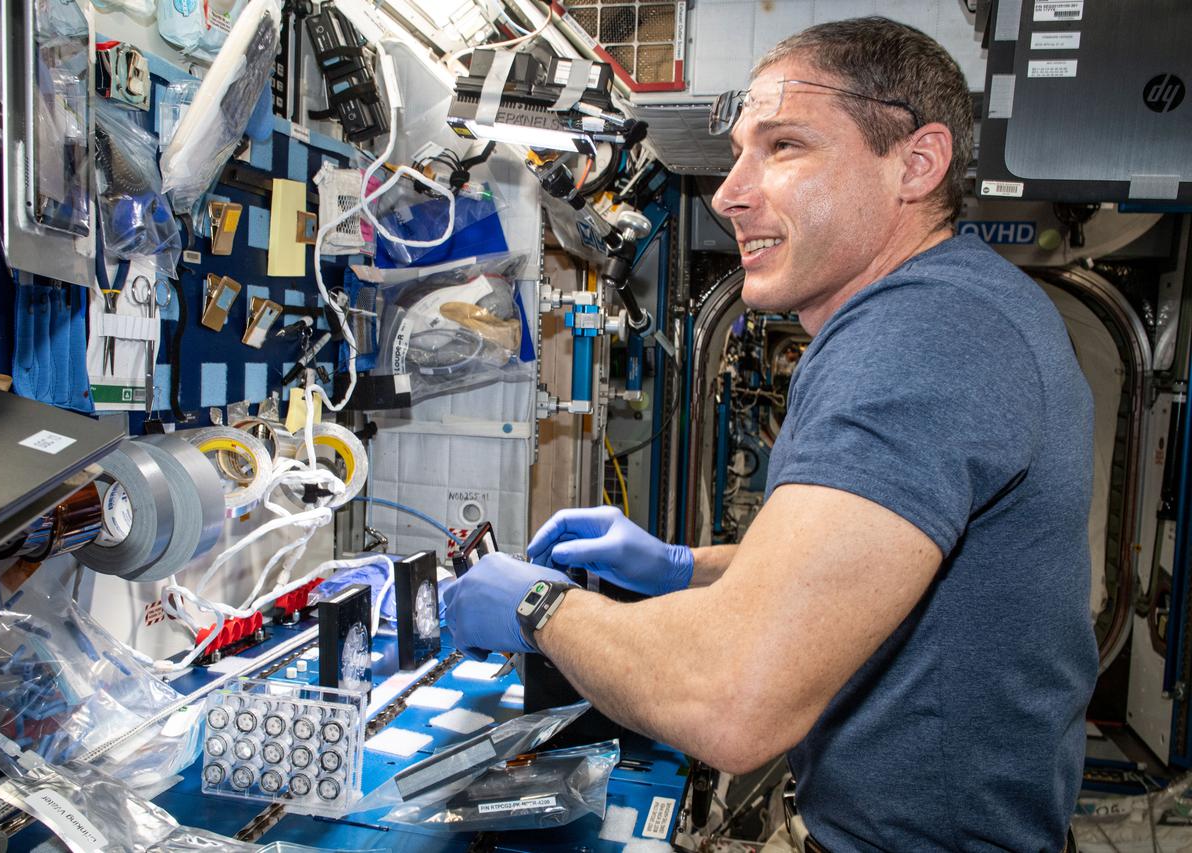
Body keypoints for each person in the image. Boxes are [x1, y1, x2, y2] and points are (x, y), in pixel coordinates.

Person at [444, 16, 1096, 851]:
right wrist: (680, 565)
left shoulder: (922, 334)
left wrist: (538, 606)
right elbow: (851, 571)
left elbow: (732, 699)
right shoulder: (965, 305)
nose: (728, 194)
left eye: (785, 146)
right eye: (739, 152)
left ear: (916, 163)